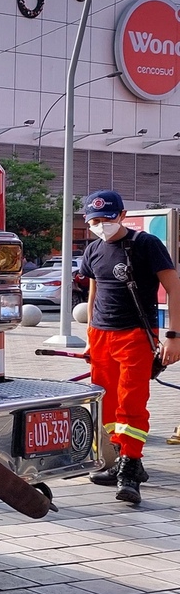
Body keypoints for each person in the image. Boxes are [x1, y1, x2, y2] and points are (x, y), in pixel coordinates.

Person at [80, 190, 180, 504]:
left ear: (122, 215)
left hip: (136, 334)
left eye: (107, 219)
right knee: (106, 404)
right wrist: (89, 337)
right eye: (94, 220)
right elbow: (93, 292)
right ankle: (124, 455)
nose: (100, 225)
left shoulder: (146, 245)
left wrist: (173, 335)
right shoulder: (94, 249)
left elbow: (174, 288)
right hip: (101, 335)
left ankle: (130, 470)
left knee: (131, 403)